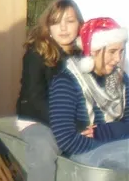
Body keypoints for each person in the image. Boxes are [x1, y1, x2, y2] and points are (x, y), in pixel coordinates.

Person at [16, 0, 83, 181]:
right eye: (56, 22)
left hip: (75, 123)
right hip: (37, 120)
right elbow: (34, 99)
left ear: (79, 24)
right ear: (48, 26)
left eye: (70, 21)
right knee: (44, 150)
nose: (63, 28)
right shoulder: (37, 53)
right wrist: (69, 127)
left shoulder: (84, 55)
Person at [48, 16, 129, 170]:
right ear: (93, 51)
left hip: (119, 148)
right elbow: (65, 139)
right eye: (112, 52)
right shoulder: (67, 82)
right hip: (84, 156)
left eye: (121, 51)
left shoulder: (121, 79)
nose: (118, 59)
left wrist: (108, 131)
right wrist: (108, 148)